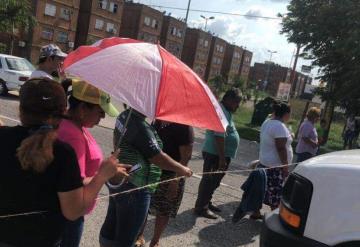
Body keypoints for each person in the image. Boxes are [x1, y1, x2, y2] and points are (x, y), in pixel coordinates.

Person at [0, 78, 128, 247]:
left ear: (20, 108)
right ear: (63, 110)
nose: (102, 116)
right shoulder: (62, 153)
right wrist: (102, 176)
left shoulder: (3, 137)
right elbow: (73, 211)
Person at [99, 109, 193, 247]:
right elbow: (157, 157)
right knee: (126, 237)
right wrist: (182, 169)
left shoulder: (125, 115)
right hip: (136, 186)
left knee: (112, 225)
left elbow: (117, 141)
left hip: (123, 178)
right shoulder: (140, 126)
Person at [57, 79, 120, 247]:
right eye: (100, 111)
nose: (103, 117)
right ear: (83, 109)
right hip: (70, 215)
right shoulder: (73, 136)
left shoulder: (75, 126)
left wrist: (106, 168)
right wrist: (104, 174)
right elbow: (74, 183)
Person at [194, 88, 242, 219]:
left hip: (218, 154)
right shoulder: (221, 111)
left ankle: (206, 203)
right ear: (228, 99)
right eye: (236, 102)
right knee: (209, 181)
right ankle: (201, 207)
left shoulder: (225, 111)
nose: (238, 105)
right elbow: (219, 136)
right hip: (215, 153)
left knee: (214, 181)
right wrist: (222, 158)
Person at [148, 121, 194, 247]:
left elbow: (186, 157)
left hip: (171, 175)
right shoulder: (158, 120)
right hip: (152, 171)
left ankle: (155, 240)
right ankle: (139, 236)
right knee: (146, 205)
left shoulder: (184, 126)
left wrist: (175, 181)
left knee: (164, 209)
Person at [258, 102, 293, 211]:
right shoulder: (279, 126)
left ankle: (256, 211)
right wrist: (285, 166)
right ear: (286, 114)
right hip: (275, 166)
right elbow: (281, 148)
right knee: (275, 192)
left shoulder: (267, 122)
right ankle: (274, 215)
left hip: (265, 162)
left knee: (262, 189)